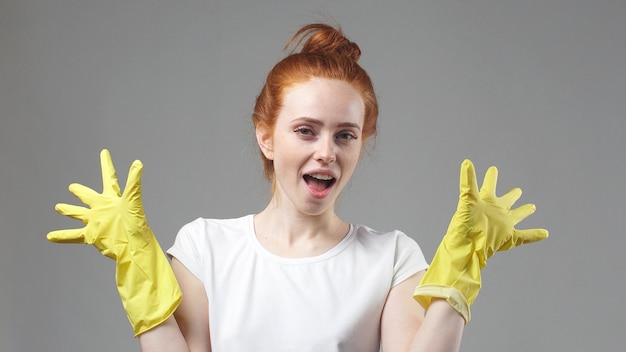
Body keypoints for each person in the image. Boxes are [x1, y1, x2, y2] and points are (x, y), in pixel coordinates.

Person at [48, 23, 548, 352]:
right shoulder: (205, 250)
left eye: (345, 135)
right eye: (306, 130)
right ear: (266, 137)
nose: (326, 151)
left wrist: (461, 272)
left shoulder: (394, 259)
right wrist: (138, 267)